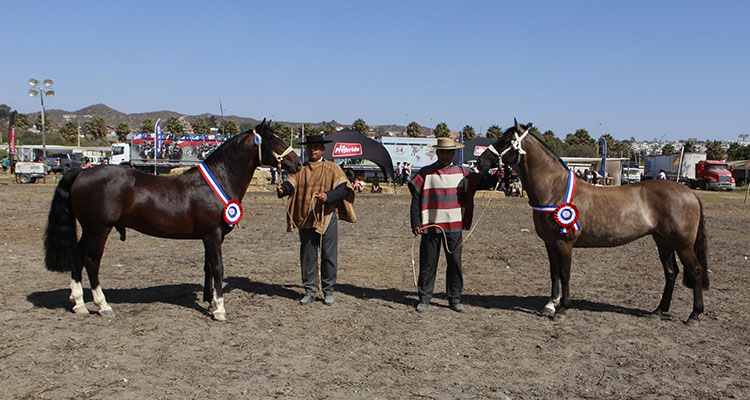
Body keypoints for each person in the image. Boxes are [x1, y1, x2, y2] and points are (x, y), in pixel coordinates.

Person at [409, 137, 499, 313]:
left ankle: (455, 299)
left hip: (454, 226)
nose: (445, 155)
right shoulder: (425, 173)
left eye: (449, 152)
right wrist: (416, 222)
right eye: (442, 151)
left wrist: (497, 177)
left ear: (453, 153)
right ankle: (425, 298)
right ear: (437, 152)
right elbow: (415, 200)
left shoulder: (463, 173)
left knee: (455, 264)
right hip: (430, 225)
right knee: (428, 263)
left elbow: (483, 183)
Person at [277, 134, 357, 306]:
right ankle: (310, 290)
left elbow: (343, 189)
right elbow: (291, 184)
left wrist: (327, 196)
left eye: (316, 147)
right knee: (307, 256)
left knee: (329, 256)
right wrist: (283, 189)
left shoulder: (332, 168)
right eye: (310, 147)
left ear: (322, 149)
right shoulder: (300, 169)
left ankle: (328, 291)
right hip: (305, 217)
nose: (312, 150)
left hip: (327, 217)